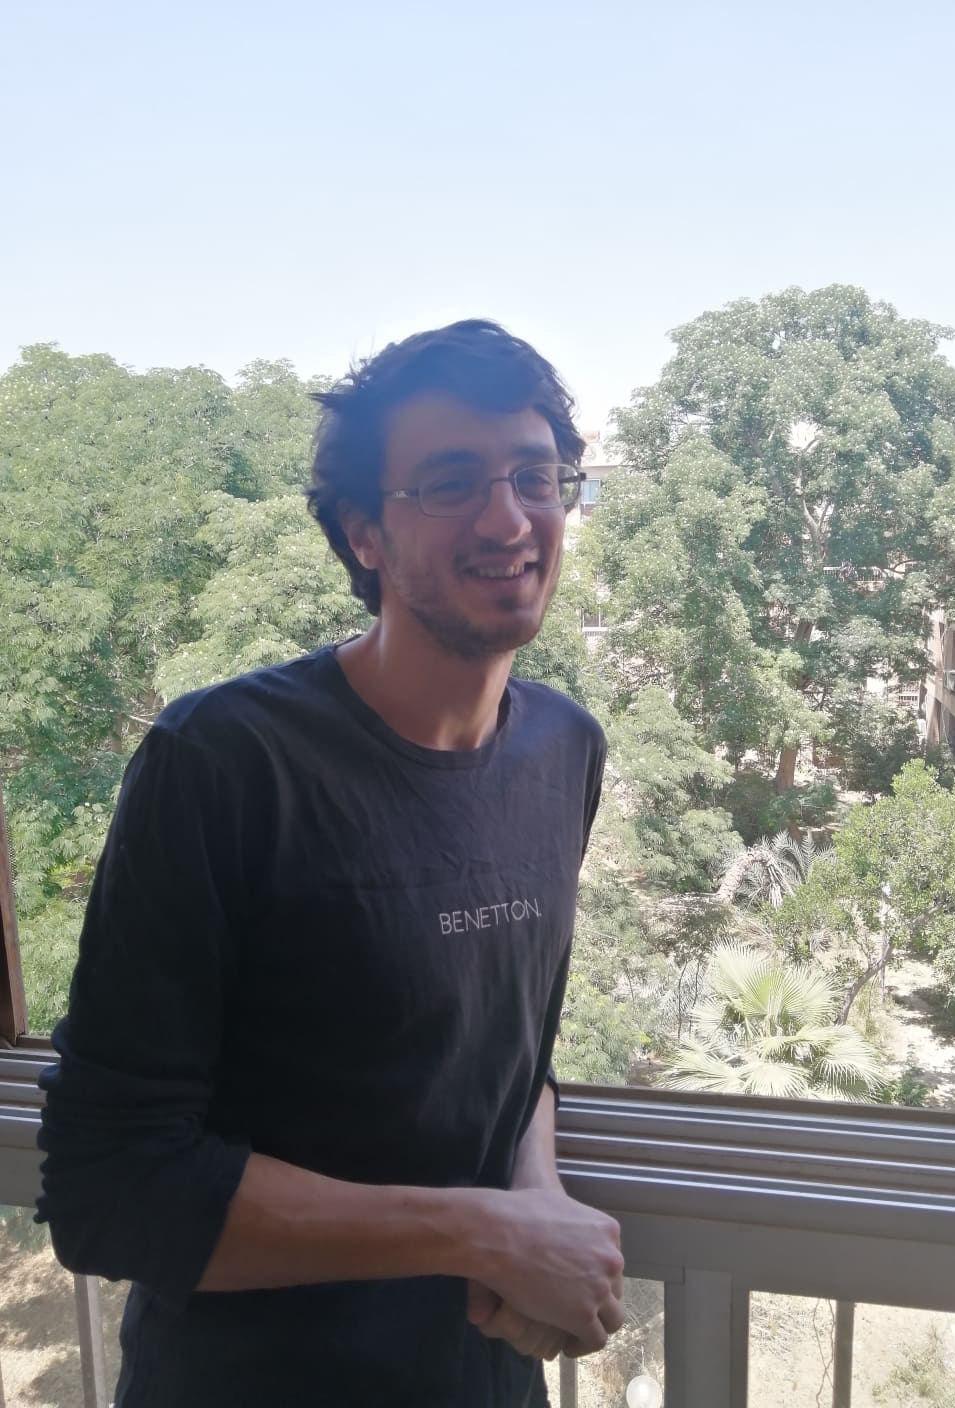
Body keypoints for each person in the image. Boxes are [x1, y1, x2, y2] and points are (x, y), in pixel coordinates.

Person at [36, 320, 624, 1407]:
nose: (508, 517)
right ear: (365, 534)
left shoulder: (564, 750)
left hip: (486, 1376)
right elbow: (110, 1186)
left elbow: (511, 1055)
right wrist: (485, 1232)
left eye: (535, 476)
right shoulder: (224, 762)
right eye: (450, 483)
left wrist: (535, 1199)